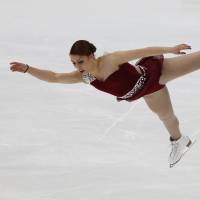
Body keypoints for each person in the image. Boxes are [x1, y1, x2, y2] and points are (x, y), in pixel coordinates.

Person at [10, 40, 200, 167]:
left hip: (156, 73)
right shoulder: (86, 76)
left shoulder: (111, 60)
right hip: (146, 91)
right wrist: (28, 69)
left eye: (80, 61)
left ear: (92, 55)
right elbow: (55, 77)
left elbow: (143, 51)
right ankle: (179, 141)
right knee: (166, 117)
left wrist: (171, 49)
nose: (78, 67)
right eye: (74, 63)